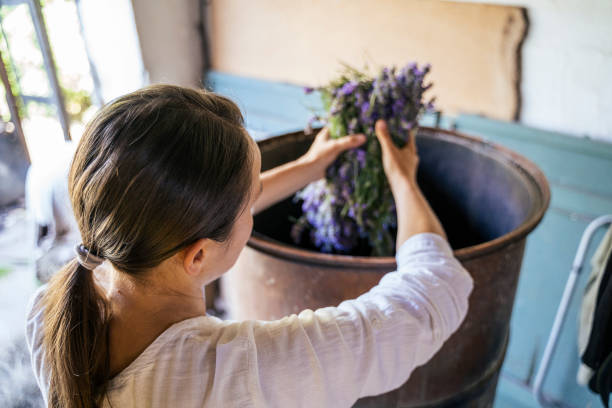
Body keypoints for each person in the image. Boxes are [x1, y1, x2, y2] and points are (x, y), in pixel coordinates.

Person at [25, 84, 473, 408]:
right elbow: (432, 294)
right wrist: (403, 181)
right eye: (249, 205)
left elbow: (175, 211)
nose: (254, 205)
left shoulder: (53, 311)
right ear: (197, 256)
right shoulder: (248, 376)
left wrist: (308, 167)